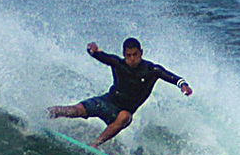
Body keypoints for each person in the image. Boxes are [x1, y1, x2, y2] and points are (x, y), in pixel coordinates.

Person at [47, 37, 193, 147]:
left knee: (124, 116)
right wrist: (91, 49)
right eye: (128, 55)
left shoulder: (151, 70)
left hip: (123, 113)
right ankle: (44, 113)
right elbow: (99, 55)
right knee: (75, 110)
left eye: (135, 54)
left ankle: (95, 144)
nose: (132, 59)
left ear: (141, 53)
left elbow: (173, 77)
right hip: (107, 101)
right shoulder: (118, 63)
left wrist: (183, 85)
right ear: (124, 54)